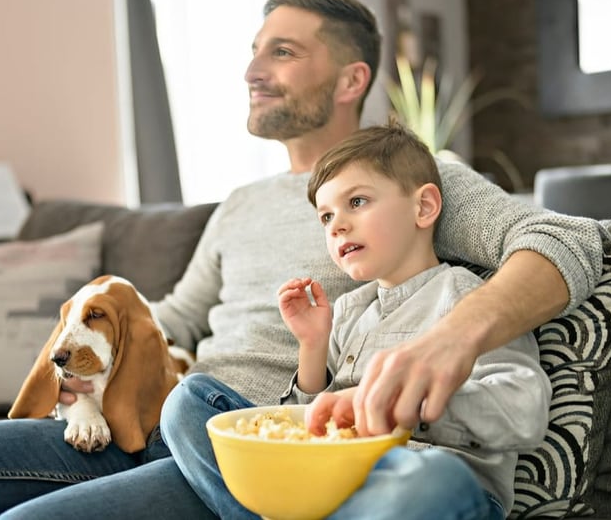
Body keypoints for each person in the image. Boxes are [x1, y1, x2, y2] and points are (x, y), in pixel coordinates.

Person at [0, 0, 602, 519]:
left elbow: (567, 238)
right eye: (252, 52)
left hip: (262, 443)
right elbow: (173, 318)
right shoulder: (240, 205)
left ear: (351, 79)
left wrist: (451, 342)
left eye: (281, 52)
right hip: (156, 422)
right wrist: (87, 362)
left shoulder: (414, 175)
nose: (252, 71)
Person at [161, 122, 552, 520]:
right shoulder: (348, 311)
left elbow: (524, 410)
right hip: (329, 485)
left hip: (420, 481)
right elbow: (309, 430)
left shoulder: (469, 300)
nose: (337, 225)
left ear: (424, 207)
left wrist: (405, 403)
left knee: (437, 477)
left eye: (358, 202)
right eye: (326, 217)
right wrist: (312, 347)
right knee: (188, 401)